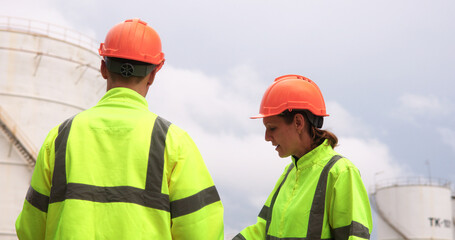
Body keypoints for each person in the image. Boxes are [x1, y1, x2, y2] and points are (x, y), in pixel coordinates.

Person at [15, 18, 224, 240]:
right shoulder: (175, 142)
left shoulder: (60, 137)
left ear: (103, 68)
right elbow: (202, 232)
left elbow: (30, 230)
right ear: (153, 75)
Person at [233, 75, 372, 240]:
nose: (266, 137)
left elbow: (355, 237)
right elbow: (263, 230)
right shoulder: (290, 172)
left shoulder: (340, 172)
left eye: (272, 128)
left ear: (298, 122)